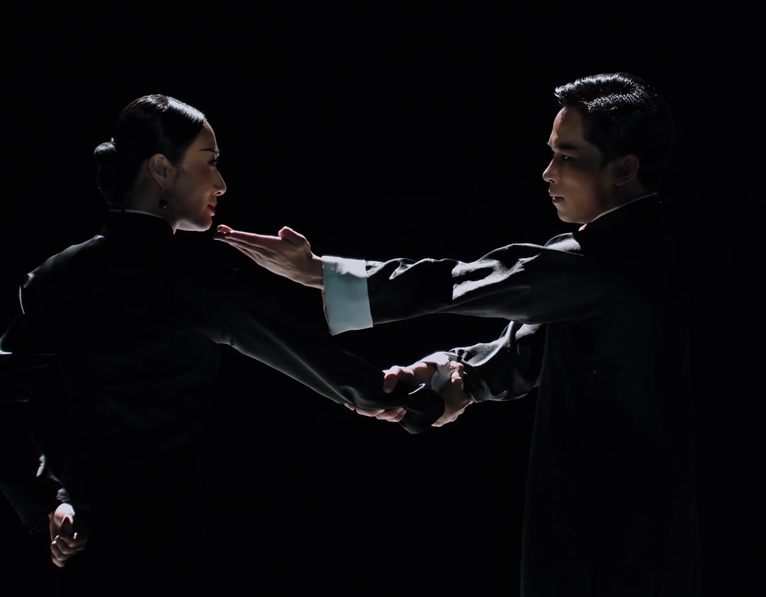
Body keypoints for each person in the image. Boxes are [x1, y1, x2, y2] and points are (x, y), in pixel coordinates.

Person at [216, 72, 702, 595]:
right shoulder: (647, 248)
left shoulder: (614, 258)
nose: (547, 173)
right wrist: (457, 374)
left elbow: (461, 282)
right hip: (625, 516)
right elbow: (531, 348)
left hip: (617, 525)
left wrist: (320, 273)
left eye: (566, 156)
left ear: (624, 168)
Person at [0, 94, 448, 594]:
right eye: (209, 162)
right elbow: (307, 354)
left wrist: (47, 503)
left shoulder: (53, 278)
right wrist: (401, 399)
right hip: (182, 550)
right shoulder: (191, 280)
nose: (221, 183)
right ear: (161, 169)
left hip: (82, 545)